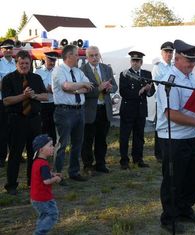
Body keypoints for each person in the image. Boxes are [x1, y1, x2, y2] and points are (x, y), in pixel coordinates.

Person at [156, 39, 195, 233]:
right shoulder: (170, 80)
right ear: (177, 59)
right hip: (174, 137)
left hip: (191, 135)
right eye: (188, 61)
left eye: (194, 61)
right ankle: (169, 217)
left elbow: (194, 106)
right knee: (174, 179)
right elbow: (171, 113)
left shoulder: (191, 77)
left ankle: (185, 209)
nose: (192, 64)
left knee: (193, 178)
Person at [2, 50, 48, 195]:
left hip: (34, 120)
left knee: (34, 153)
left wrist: (34, 95)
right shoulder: (8, 79)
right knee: (15, 154)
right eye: (21, 63)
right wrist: (24, 96)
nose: (24, 65)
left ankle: (32, 181)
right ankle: (11, 185)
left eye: (27, 63)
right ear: (16, 63)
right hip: (17, 120)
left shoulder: (36, 78)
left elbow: (46, 96)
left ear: (30, 64)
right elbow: (6, 100)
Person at [52, 45, 93, 184]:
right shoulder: (59, 71)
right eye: (76, 55)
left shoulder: (77, 71)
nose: (78, 57)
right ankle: (57, 175)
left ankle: (74, 172)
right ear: (69, 56)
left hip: (79, 110)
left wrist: (76, 90)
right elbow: (66, 86)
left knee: (77, 143)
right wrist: (79, 86)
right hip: (64, 111)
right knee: (62, 144)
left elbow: (89, 86)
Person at [80, 46, 118, 174]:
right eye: (91, 55)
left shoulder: (106, 68)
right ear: (87, 57)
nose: (95, 57)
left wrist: (109, 88)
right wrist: (99, 89)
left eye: (96, 55)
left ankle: (100, 163)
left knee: (102, 139)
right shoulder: (82, 71)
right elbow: (83, 92)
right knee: (88, 139)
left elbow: (115, 87)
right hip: (90, 109)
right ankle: (88, 165)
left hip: (104, 108)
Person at [119, 51, 155, 170]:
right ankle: (124, 160)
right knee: (125, 136)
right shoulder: (124, 74)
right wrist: (139, 91)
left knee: (139, 136)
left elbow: (151, 92)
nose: (135, 63)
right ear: (130, 61)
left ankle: (138, 159)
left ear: (141, 62)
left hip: (140, 109)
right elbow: (123, 92)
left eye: (137, 61)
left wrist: (148, 89)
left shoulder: (147, 74)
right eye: (133, 61)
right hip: (128, 109)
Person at [31, 134, 61, 235]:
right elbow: (46, 181)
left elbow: (41, 175)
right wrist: (56, 178)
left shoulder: (37, 161)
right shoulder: (43, 164)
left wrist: (52, 174)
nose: (53, 147)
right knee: (52, 214)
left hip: (36, 197)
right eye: (50, 145)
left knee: (44, 215)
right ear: (41, 150)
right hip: (43, 197)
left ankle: (39, 231)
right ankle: (39, 233)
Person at [152, 41, 174, 162]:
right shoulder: (158, 66)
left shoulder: (174, 66)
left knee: (170, 125)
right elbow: (157, 83)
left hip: (172, 100)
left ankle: (168, 150)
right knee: (160, 125)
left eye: (170, 52)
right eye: (166, 52)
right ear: (162, 53)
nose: (168, 54)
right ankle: (159, 153)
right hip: (161, 100)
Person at [35, 51, 59, 144]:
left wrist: (53, 89)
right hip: (42, 104)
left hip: (54, 103)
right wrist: (45, 89)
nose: (52, 62)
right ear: (45, 59)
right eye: (50, 60)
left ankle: (52, 146)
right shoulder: (38, 71)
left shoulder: (58, 71)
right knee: (43, 127)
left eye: (54, 60)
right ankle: (42, 147)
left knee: (53, 126)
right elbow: (35, 87)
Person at [0, 39, 16, 168]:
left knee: (14, 128)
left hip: (16, 100)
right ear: (2, 50)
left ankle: (15, 154)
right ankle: (1, 157)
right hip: (3, 101)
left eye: (10, 48)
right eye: (6, 48)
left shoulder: (17, 63)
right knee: (3, 130)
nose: (8, 50)